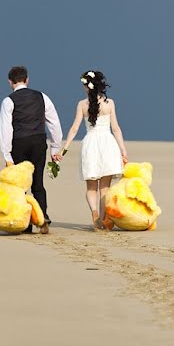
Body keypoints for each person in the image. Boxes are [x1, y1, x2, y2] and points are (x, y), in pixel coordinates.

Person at [56, 70, 128, 230]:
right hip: (108, 144)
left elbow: (74, 128)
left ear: (87, 86)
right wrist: (123, 149)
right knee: (105, 187)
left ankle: (95, 213)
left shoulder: (82, 105)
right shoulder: (110, 103)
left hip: (90, 144)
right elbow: (116, 128)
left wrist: (64, 149)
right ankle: (104, 220)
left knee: (91, 187)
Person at [0, 65, 63, 234]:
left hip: (18, 143)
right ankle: (42, 218)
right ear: (27, 80)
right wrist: (55, 147)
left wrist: (7, 155)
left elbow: (6, 129)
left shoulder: (8, 101)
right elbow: (54, 123)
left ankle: (25, 222)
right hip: (38, 141)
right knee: (38, 183)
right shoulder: (42, 97)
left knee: (21, 185)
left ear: (10, 82)